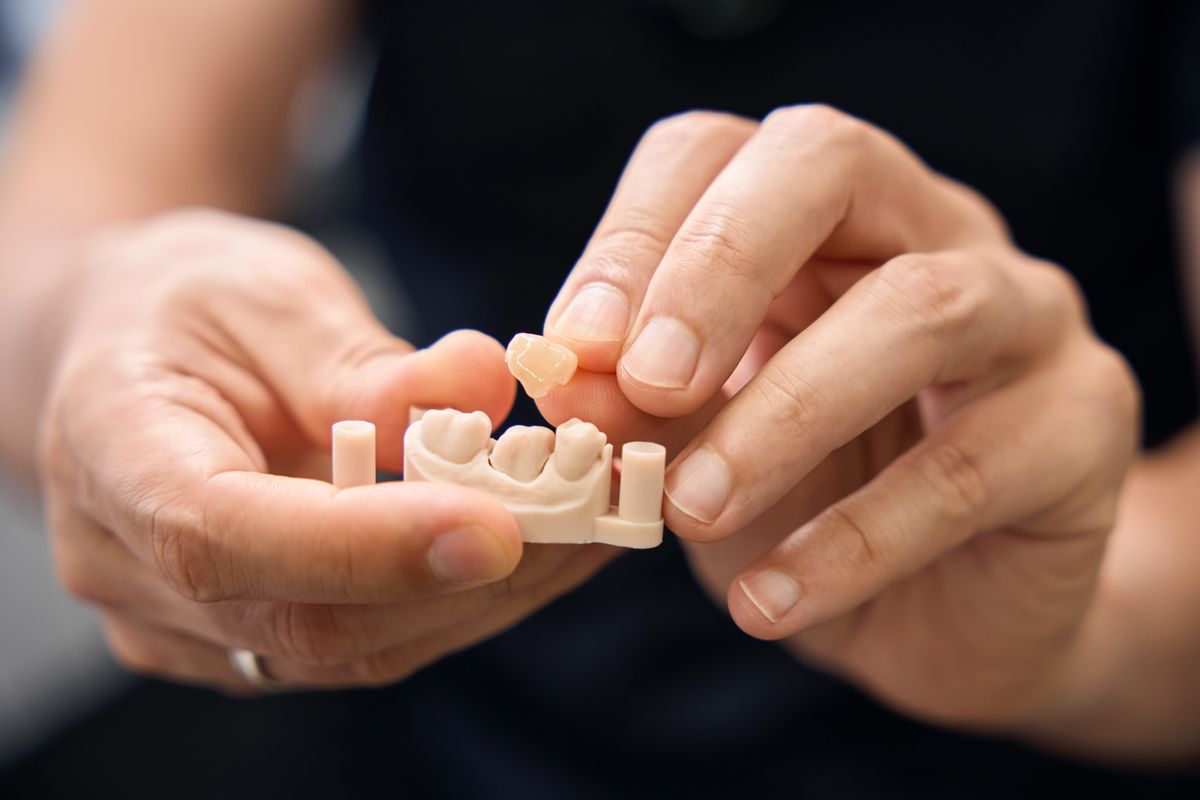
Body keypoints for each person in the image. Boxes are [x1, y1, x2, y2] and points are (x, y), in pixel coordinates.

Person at [1, 0, 1198, 795]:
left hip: (1033, 735)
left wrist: (1088, 625)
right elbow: (56, 227)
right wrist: (84, 325)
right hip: (428, 716)